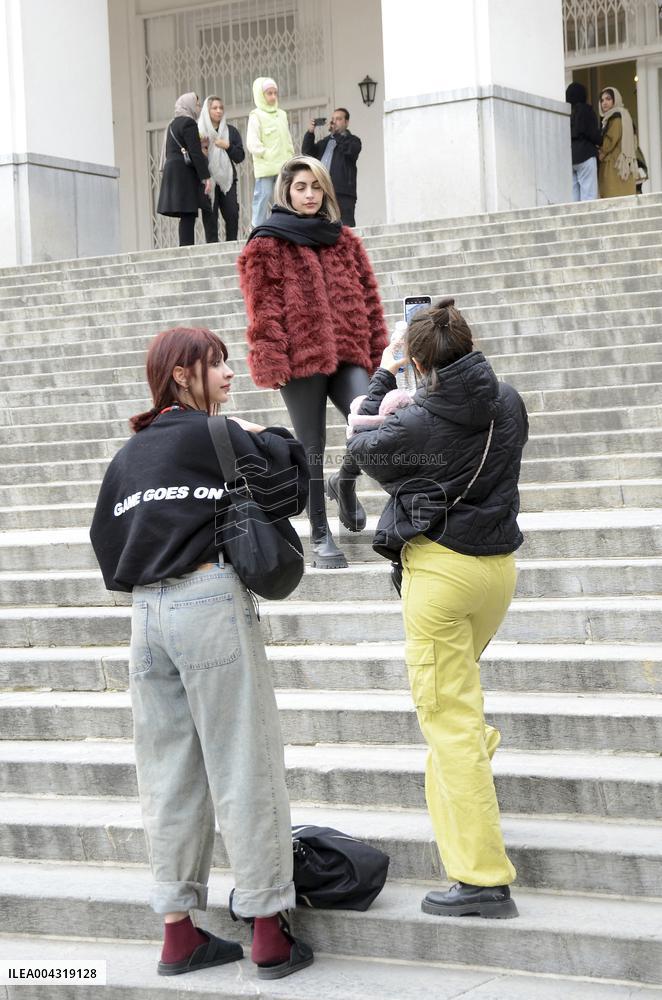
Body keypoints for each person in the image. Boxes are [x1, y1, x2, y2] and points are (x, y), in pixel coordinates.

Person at [89, 326, 314, 981]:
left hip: (147, 619)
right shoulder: (216, 434)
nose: (228, 374)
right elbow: (294, 472)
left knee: (168, 778)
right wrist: (248, 428)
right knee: (245, 760)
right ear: (181, 374)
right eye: (216, 364)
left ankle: (178, 934)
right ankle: (270, 931)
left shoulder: (131, 454)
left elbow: (107, 542)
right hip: (206, 601)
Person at [347, 298, 529, 919]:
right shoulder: (508, 400)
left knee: (448, 723)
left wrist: (382, 371)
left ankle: (481, 880)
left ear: (420, 363)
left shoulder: (412, 426)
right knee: (460, 710)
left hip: (442, 577)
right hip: (497, 571)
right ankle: (469, 770)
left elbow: (360, 441)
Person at [237, 155, 387, 569]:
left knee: (369, 418)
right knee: (312, 447)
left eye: (315, 187)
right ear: (286, 190)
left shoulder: (344, 239)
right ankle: (319, 532)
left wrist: (379, 353)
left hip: (349, 350)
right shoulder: (266, 242)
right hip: (300, 357)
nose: (308, 195)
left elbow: (370, 300)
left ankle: (347, 481)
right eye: (300, 187)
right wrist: (271, 359)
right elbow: (262, 309)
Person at [157, 93, 212, 246]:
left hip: (173, 171)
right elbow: (195, 153)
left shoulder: (172, 124)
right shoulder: (189, 123)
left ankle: (185, 247)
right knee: (189, 211)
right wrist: (206, 177)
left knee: (186, 212)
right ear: (189, 105)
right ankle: (188, 248)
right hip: (184, 172)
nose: (199, 108)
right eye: (197, 104)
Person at [246, 78, 294, 227]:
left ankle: (284, 227)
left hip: (284, 165)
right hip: (266, 167)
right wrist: (266, 154)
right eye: (269, 93)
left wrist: (291, 157)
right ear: (261, 95)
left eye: (275, 93)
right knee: (263, 196)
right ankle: (257, 229)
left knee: (284, 198)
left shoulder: (282, 114)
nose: (273, 97)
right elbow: (252, 142)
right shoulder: (256, 115)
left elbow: (288, 139)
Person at [302, 108, 361, 226]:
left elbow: (350, 151)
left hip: (342, 193)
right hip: (322, 191)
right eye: (333, 119)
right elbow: (307, 152)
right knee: (322, 226)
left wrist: (337, 134)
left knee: (345, 227)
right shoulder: (325, 142)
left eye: (338, 119)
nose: (334, 122)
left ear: (346, 122)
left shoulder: (353, 141)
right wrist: (310, 132)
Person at [198, 96, 245, 242]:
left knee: (232, 214)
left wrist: (227, 146)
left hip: (227, 179)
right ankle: (212, 251)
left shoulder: (230, 131)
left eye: (221, 108)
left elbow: (240, 156)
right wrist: (203, 149)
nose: (219, 111)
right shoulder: (199, 132)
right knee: (210, 218)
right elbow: (195, 158)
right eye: (214, 108)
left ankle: (232, 246)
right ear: (207, 110)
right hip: (207, 180)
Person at [598, 87, 637, 199]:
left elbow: (610, 141)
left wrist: (600, 153)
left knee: (614, 200)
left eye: (608, 99)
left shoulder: (616, 118)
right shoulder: (621, 116)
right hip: (620, 165)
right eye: (602, 100)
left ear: (615, 100)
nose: (604, 103)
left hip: (614, 166)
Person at [565, 82, 601, 201]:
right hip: (585, 154)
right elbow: (593, 135)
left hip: (570, 157)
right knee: (589, 194)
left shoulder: (566, 112)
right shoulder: (586, 111)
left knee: (573, 195)